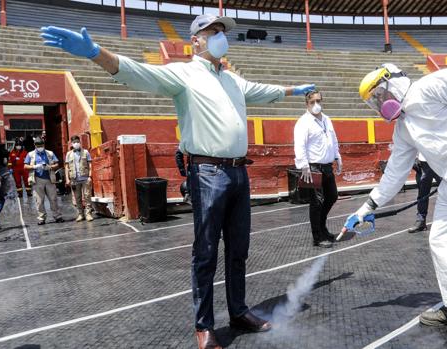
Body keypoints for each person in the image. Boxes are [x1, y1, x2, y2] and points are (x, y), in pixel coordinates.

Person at [41, 14, 315, 349]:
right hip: (208, 174)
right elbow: (139, 73)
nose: (220, 37)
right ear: (196, 40)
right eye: (213, 32)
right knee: (206, 251)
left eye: (222, 32)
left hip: (238, 173)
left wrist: (292, 90)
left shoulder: (231, 79)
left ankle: (239, 311)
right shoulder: (183, 74)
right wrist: (96, 52)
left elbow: (261, 91)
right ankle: (205, 326)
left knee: (238, 250)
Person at [347, 64, 447, 349]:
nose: (378, 103)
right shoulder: (404, 128)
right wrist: (366, 207)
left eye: (379, 95)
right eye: (373, 101)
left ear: (394, 82)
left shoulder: (434, 84)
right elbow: (395, 174)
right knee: (442, 243)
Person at [293, 90, 342, 248]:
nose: (316, 105)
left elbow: (333, 139)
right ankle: (317, 236)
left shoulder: (327, 119)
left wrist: (337, 156)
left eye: (318, 101)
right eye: (312, 102)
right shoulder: (303, 122)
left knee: (332, 196)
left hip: (327, 166)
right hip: (313, 167)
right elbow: (300, 144)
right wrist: (303, 165)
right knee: (317, 202)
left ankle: (322, 226)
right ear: (306, 104)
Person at [24, 137, 64, 225]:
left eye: (41, 145)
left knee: (53, 199)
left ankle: (57, 216)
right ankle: (41, 218)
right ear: (34, 145)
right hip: (37, 180)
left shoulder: (50, 153)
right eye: (38, 145)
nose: (40, 147)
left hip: (50, 179)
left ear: (44, 145)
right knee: (39, 201)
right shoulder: (30, 154)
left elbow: (57, 164)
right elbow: (25, 166)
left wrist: (49, 167)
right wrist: (35, 166)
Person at [65, 135, 94, 222]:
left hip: (85, 178)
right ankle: (81, 214)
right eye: (74, 142)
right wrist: (67, 179)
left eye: (77, 142)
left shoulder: (85, 152)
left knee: (87, 196)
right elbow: (66, 167)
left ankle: (88, 214)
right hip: (74, 179)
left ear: (80, 142)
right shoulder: (68, 154)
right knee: (77, 198)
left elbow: (90, 165)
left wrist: (90, 176)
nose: (76, 144)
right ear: (72, 143)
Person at [411, 153, 441, 232]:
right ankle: (421, 221)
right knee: (422, 193)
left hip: (440, 160)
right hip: (423, 162)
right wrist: (415, 158)